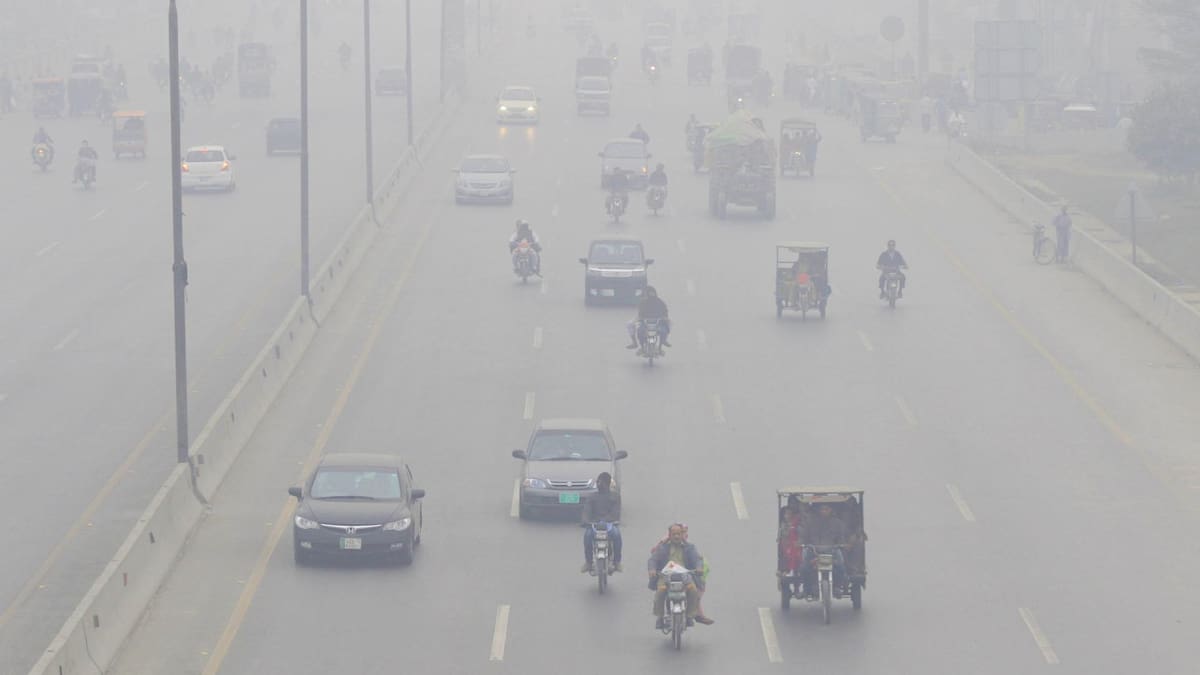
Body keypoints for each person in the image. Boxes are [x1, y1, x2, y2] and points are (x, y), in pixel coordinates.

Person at [647, 524, 703, 629]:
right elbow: (653, 560)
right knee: (660, 592)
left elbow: (697, 559)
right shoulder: (662, 548)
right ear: (669, 535)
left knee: (693, 591)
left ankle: (689, 616)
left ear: (682, 534)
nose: (676, 536)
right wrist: (652, 569)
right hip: (666, 577)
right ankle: (660, 617)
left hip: (685, 577)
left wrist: (699, 568)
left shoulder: (690, 547)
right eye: (674, 534)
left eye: (678, 534)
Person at [797, 503, 849, 597]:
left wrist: (842, 544)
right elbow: (804, 537)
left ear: (831, 510)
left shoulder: (838, 523)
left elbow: (841, 538)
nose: (824, 511)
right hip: (813, 550)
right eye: (822, 509)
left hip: (832, 550)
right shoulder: (810, 522)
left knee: (841, 566)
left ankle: (837, 587)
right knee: (804, 568)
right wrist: (801, 543)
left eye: (826, 509)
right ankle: (806, 589)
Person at [581, 472, 622, 573]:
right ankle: (589, 562)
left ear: (607, 483)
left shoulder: (615, 496)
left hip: (609, 524)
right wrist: (585, 521)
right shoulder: (591, 497)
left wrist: (605, 521)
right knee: (587, 536)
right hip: (594, 525)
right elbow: (587, 511)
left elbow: (615, 513)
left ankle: (617, 562)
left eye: (600, 482)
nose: (598, 484)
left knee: (617, 536)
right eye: (598, 482)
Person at [627, 286, 671, 351]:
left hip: (657, 320)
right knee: (630, 324)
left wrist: (665, 317)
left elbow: (665, 311)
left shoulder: (659, 301)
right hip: (644, 319)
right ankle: (635, 343)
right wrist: (640, 318)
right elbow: (640, 312)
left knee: (668, 324)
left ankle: (664, 340)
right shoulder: (643, 302)